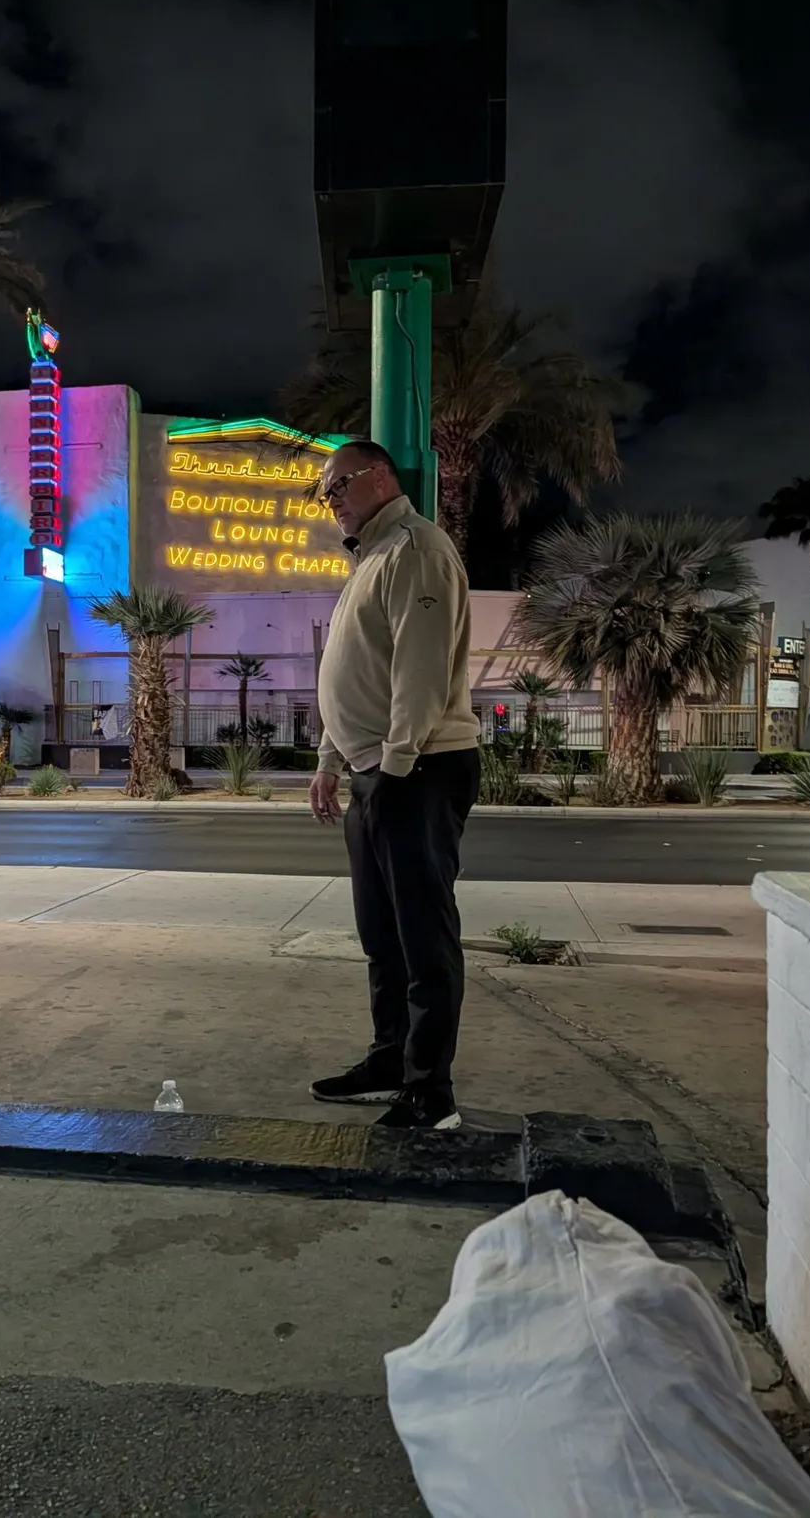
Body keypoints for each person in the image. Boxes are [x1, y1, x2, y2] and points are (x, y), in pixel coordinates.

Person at [308, 439, 480, 1130]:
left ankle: (430, 1091)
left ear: (380, 477)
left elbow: (420, 671)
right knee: (381, 934)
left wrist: (398, 765)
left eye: (338, 485)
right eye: (324, 493)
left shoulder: (416, 549)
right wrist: (330, 760)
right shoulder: (372, 558)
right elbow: (358, 674)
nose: (330, 501)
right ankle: (390, 1059)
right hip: (373, 768)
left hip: (418, 767)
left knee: (422, 937)